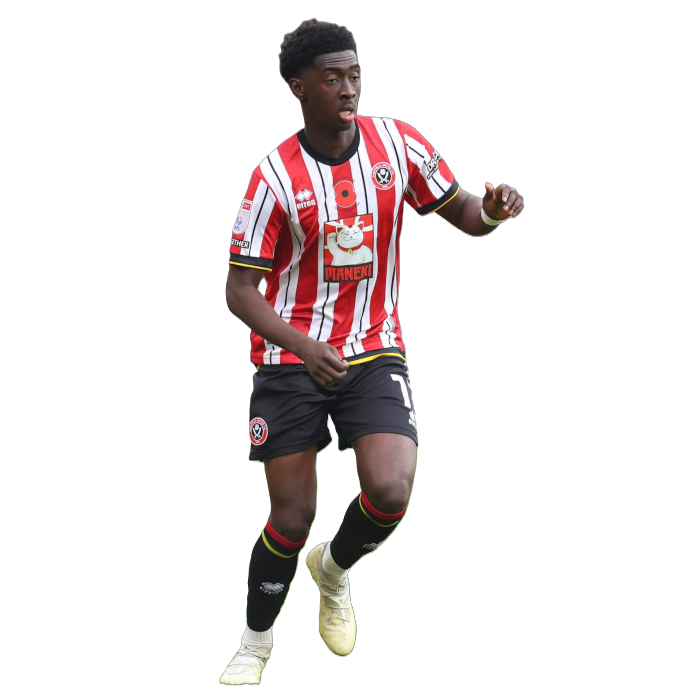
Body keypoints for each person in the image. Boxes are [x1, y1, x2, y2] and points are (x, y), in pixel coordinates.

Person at [221, 19, 523, 686]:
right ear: (299, 87)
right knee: (292, 517)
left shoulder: (398, 143)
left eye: (354, 75)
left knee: (390, 491)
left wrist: (493, 213)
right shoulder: (273, 178)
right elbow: (239, 291)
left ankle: (333, 569)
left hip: (373, 346)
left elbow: (463, 213)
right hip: (291, 358)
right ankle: (255, 642)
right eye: (331, 78)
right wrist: (303, 345)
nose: (348, 88)